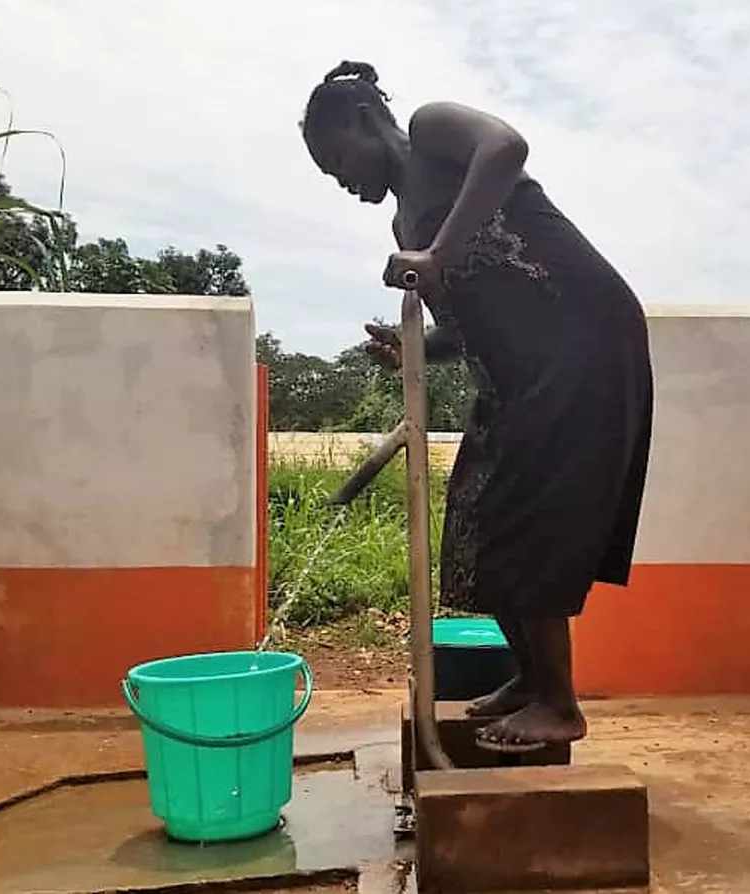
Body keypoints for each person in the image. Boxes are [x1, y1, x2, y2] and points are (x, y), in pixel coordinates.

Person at [301, 61, 654, 752]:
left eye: (337, 161)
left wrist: (436, 252)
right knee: (475, 514)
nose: (344, 183)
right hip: (518, 374)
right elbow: (461, 330)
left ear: (366, 122)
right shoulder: (405, 222)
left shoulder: (435, 131)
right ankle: (529, 677)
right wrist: (412, 351)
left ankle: (560, 702)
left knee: (529, 514)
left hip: (584, 340)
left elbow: (507, 147)